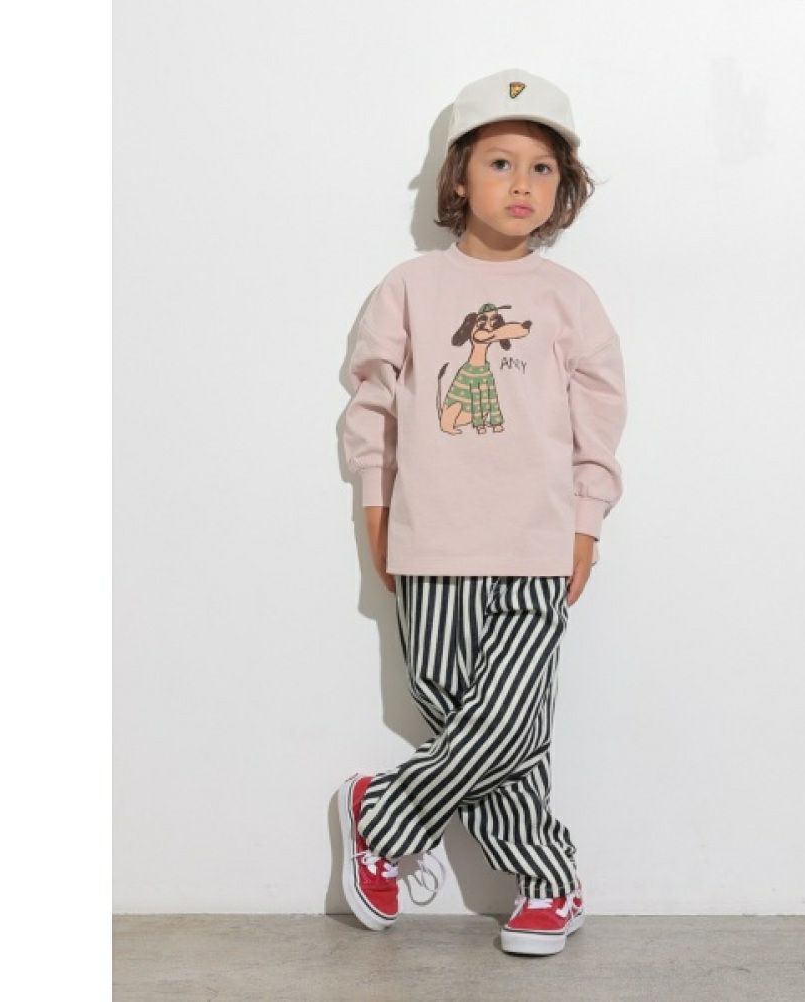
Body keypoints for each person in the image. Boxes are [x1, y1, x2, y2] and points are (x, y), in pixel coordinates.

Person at [337, 67, 628, 957]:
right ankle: (548, 880)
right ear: (459, 177)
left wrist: (587, 522)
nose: (521, 184)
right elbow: (372, 406)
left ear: (563, 188)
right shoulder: (410, 286)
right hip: (430, 543)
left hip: (536, 545)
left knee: (505, 720)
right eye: (500, 163)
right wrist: (376, 506)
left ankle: (383, 815)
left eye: (542, 169)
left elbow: (600, 418)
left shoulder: (569, 299)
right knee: (469, 717)